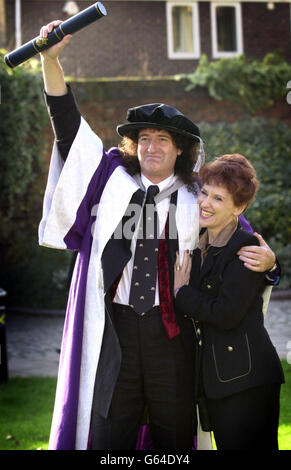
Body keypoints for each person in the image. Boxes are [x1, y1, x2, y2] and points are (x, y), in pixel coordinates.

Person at [38, 22, 279, 450]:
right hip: (118, 331)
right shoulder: (110, 183)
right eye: (144, 138)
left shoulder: (195, 198)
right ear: (134, 145)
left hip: (173, 335)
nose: (151, 147)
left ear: (179, 149)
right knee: (111, 436)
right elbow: (68, 126)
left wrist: (271, 265)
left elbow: (239, 236)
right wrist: (50, 59)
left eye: (162, 139)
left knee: (173, 435)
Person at [174, 154, 284, 450]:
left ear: (239, 207)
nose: (205, 203)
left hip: (247, 381)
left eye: (218, 199)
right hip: (221, 380)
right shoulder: (198, 241)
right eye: (205, 193)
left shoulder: (246, 249)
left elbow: (225, 314)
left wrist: (181, 293)